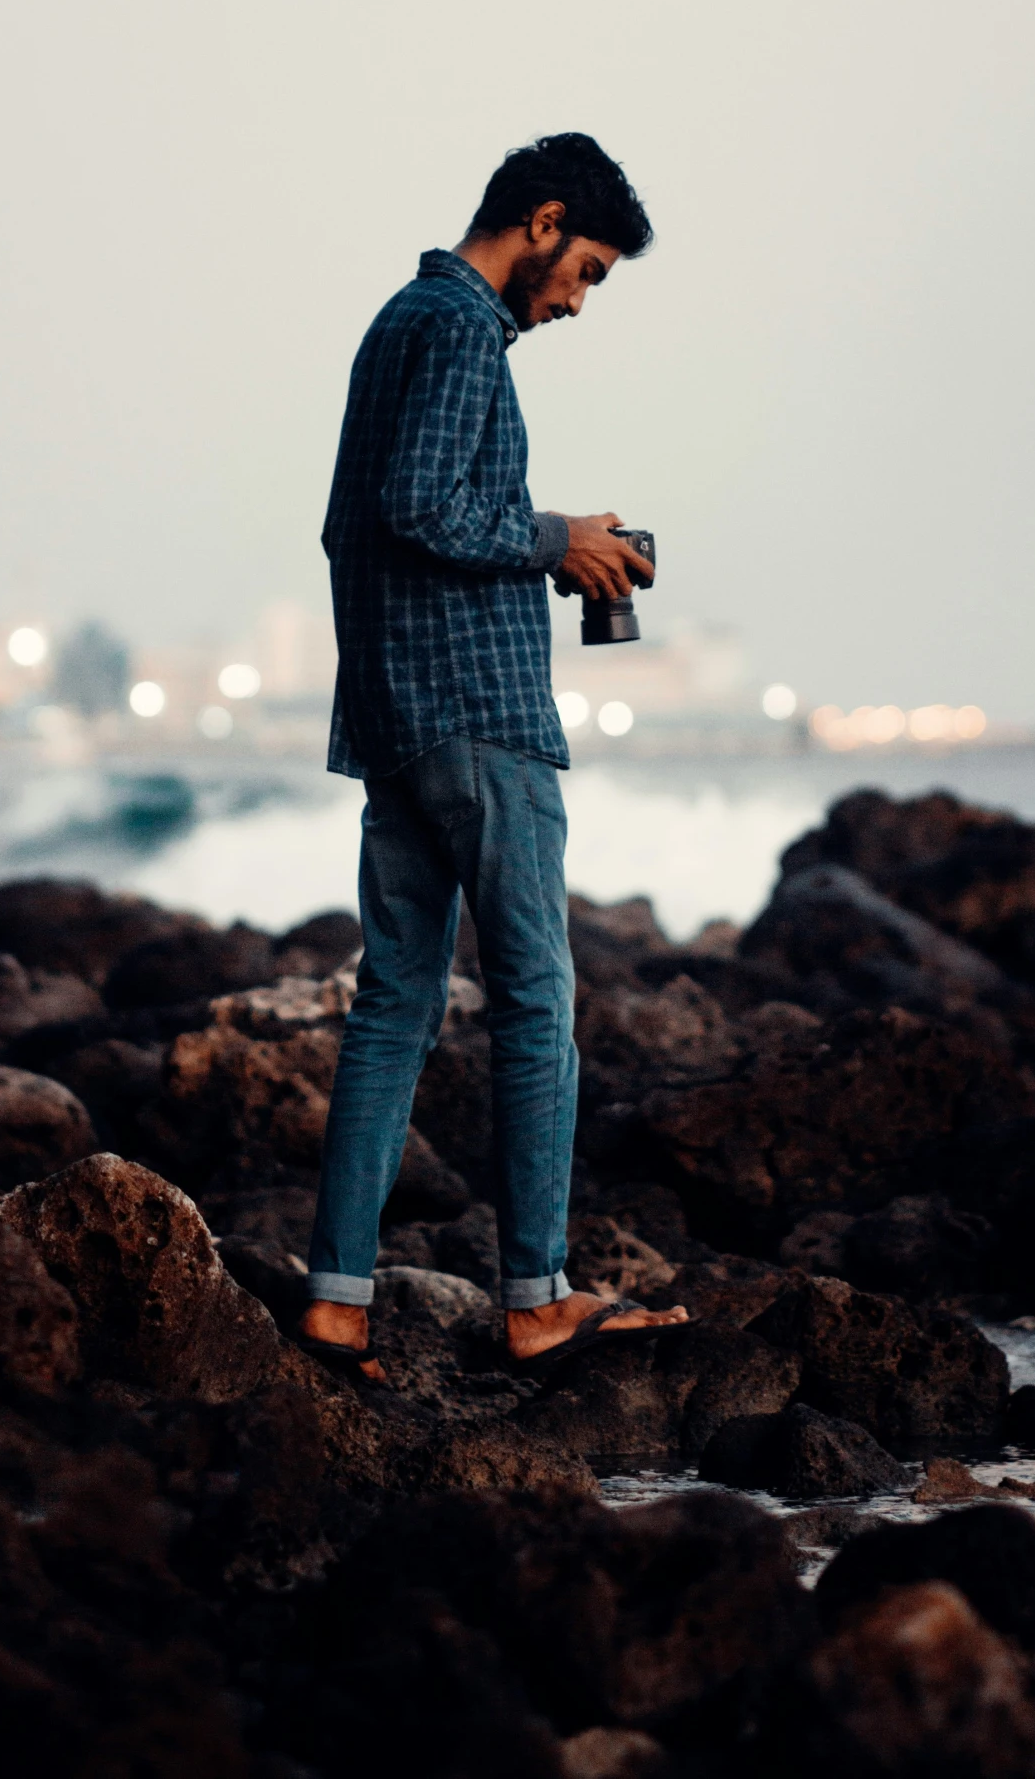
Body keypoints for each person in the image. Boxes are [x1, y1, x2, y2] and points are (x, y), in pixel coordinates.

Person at [300, 132, 690, 1380]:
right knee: (534, 1002)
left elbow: (347, 525)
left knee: (394, 1006)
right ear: (540, 220)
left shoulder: (396, 322)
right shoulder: (460, 326)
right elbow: (423, 508)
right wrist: (558, 538)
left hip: (393, 717)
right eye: (583, 269)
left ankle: (337, 1301)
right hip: (479, 717)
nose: (576, 299)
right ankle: (534, 1298)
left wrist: (536, 541)